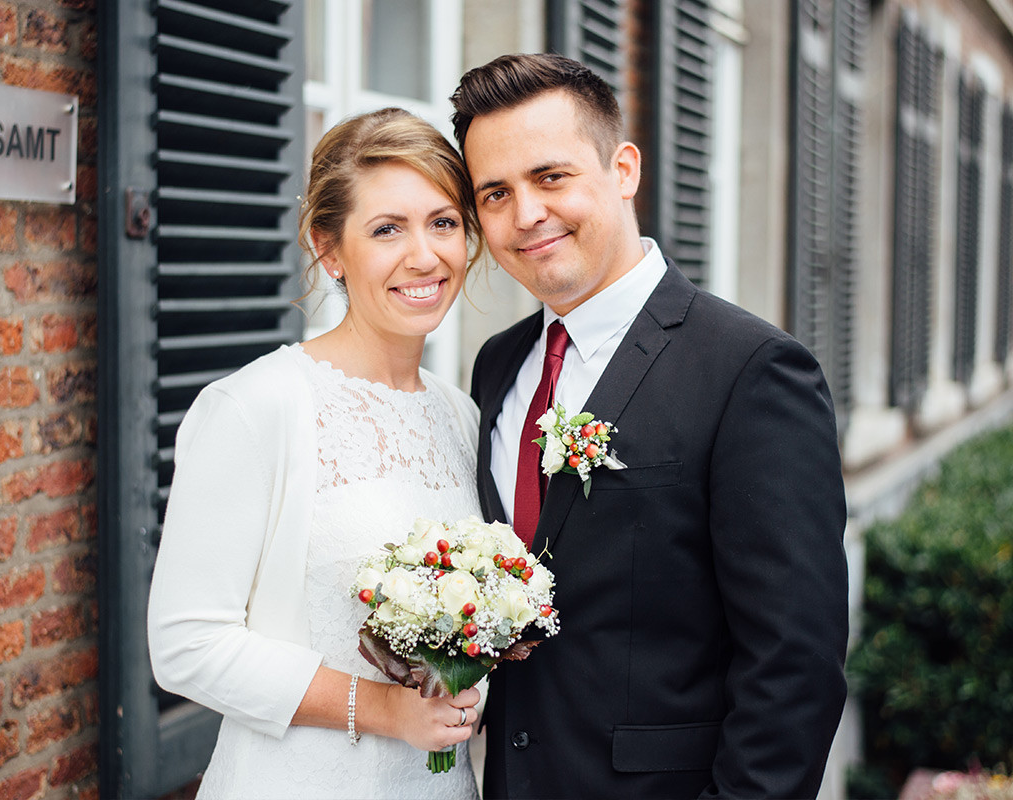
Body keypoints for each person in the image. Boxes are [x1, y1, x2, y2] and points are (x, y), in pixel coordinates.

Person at [451, 53, 849, 799]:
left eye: (551, 177)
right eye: (494, 194)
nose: (525, 214)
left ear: (624, 168)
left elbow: (793, 665)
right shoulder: (498, 366)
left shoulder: (752, 370)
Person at [147, 107, 484, 800]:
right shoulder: (257, 406)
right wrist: (386, 709)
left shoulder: (460, 414)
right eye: (387, 228)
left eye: (443, 222)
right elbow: (185, 645)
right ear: (329, 249)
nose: (424, 255)